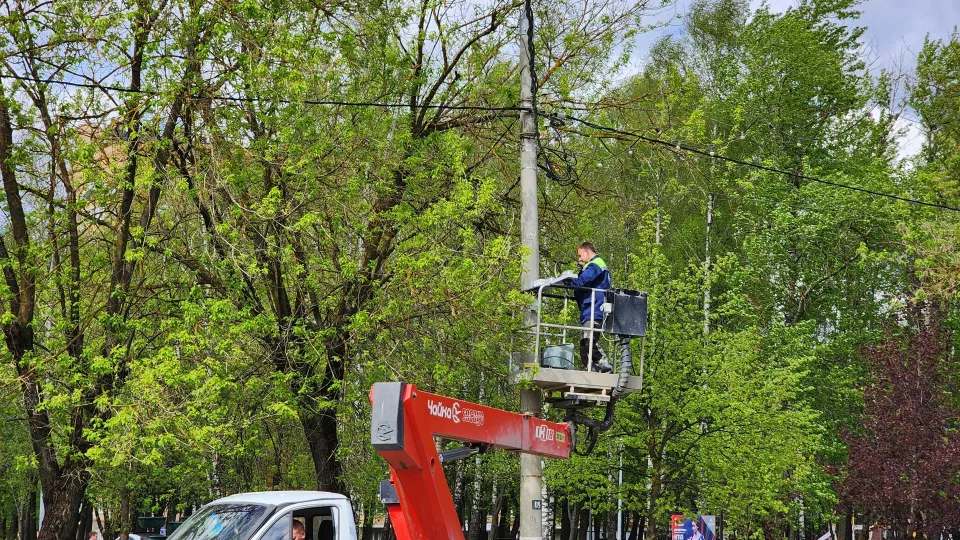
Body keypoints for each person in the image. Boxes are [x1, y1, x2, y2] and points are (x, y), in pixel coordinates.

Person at [566, 241, 613, 373]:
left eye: (580, 255)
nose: (579, 259)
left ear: (587, 252)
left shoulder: (595, 265)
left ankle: (605, 366)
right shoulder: (592, 266)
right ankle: (592, 371)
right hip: (589, 309)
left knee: (590, 341)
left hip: (594, 309)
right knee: (584, 346)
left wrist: (569, 282)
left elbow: (583, 281)